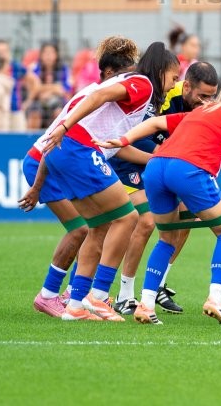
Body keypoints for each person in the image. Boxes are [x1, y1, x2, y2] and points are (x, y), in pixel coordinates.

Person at [96, 71, 221, 325]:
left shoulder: (200, 111)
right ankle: (215, 299)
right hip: (189, 170)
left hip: (155, 168)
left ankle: (146, 303)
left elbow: (154, 124)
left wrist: (123, 140)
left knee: (167, 237)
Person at [35, 40, 180, 322]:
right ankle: (98, 295)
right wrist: (65, 127)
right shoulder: (143, 84)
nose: (175, 82)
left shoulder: (139, 90)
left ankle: (75, 305)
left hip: (65, 151)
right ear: (161, 70)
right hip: (79, 149)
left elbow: (107, 124)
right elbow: (97, 98)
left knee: (98, 225)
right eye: (174, 76)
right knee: (128, 218)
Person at [18, 36, 140, 317]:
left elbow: (114, 147)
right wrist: (37, 186)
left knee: (100, 225)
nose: (128, 77)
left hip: (53, 158)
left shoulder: (102, 101)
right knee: (83, 229)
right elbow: (60, 140)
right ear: (110, 73)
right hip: (43, 160)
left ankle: (77, 294)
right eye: (125, 71)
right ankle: (50, 295)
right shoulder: (96, 96)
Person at [111, 61, 220, 316]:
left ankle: (158, 283)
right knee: (145, 222)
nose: (206, 102)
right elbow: (143, 135)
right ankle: (124, 294)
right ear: (187, 86)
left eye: (211, 97)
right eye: (202, 96)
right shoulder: (166, 97)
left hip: (165, 163)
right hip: (133, 161)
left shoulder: (201, 106)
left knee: (187, 213)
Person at [23, 42, 72, 129]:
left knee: (59, 112)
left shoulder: (63, 69)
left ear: (56, 55)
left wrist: (43, 89)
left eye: (51, 53)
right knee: (34, 113)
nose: (48, 56)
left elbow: (63, 90)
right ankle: (32, 139)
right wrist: (53, 88)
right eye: (45, 53)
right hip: (38, 101)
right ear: (41, 55)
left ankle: (55, 140)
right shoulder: (34, 68)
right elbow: (33, 89)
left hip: (57, 101)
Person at [0, 39, 28, 130]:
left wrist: (27, 102)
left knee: (19, 139)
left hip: (15, 111)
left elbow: (34, 82)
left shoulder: (16, 67)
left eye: (5, 51)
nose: (2, 54)